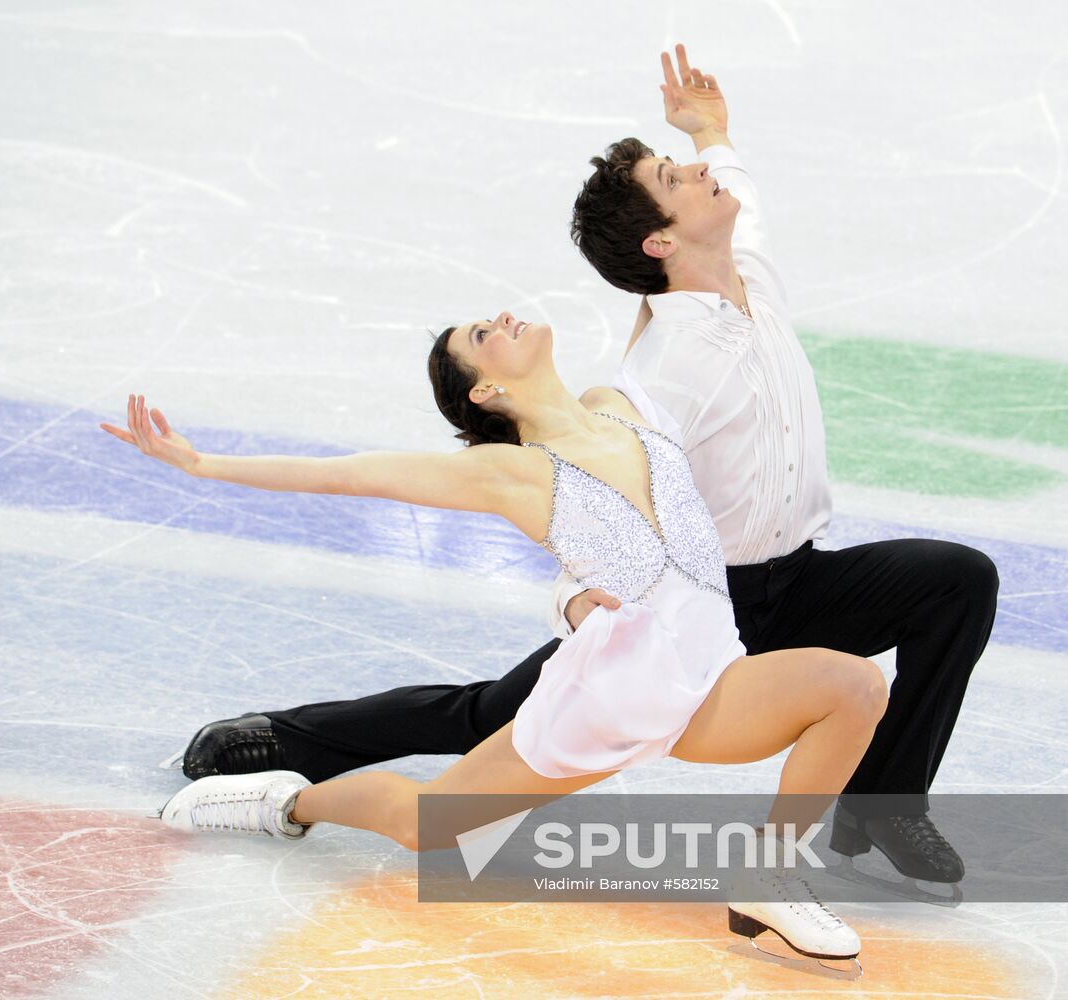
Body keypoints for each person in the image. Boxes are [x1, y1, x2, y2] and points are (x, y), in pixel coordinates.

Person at [182, 45, 998, 889]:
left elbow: (737, 204)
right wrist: (574, 597)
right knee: (491, 718)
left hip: (803, 579)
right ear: (661, 238)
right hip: (692, 598)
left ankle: (885, 807)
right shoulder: (665, 368)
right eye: (675, 178)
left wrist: (712, 133)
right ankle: (290, 743)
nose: (699, 176)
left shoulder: (746, 266)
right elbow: (586, 482)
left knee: (954, 580)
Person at [102, 303, 885, 965]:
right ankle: (286, 803)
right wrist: (202, 465)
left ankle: (768, 872)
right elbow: (355, 473)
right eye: (483, 335)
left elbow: (673, 301)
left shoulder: (620, 404)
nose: (502, 319)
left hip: (710, 676)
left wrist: (698, 151)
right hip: (612, 698)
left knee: (853, 687)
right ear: (488, 388)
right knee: (428, 824)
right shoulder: (515, 474)